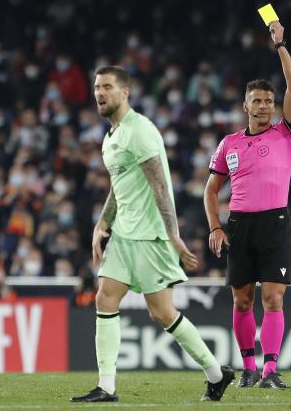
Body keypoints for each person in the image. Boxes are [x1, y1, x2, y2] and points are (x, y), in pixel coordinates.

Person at [72, 66, 234, 403]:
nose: (100, 93)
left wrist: (173, 235)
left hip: (149, 235)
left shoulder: (139, 130)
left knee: (162, 313)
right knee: (105, 298)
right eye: (97, 87)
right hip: (124, 233)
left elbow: (160, 185)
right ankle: (107, 386)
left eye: (107, 87)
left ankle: (216, 373)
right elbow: (120, 188)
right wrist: (102, 224)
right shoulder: (111, 137)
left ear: (125, 92)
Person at [204, 21, 291, 389]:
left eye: (268, 101)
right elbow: (210, 190)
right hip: (240, 224)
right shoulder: (229, 143)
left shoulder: (285, 133)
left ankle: (270, 371)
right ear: (245, 104)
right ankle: (247, 368)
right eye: (257, 101)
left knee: (274, 299)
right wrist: (215, 226)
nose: (263, 106)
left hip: (275, 222)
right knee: (242, 301)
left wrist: (281, 46)